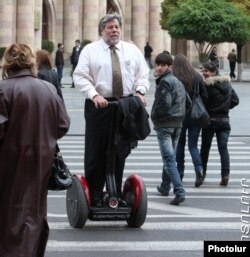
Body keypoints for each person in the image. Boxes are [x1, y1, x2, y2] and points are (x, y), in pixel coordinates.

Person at [0, 43, 70, 257]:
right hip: (40, 161)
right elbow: (62, 125)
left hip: (8, 163)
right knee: (34, 213)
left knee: (8, 215)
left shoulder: (3, 90)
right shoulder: (47, 88)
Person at [73, 13, 150, 206]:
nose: (114, 30)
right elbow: (80, 76)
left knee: (119, 149)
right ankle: (96, 194)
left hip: (124, 105)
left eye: (116, 26)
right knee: (96, 151)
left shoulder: (131, 50)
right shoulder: (90, 50)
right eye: (110, 27)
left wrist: (140, 92)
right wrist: (94, 95)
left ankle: (115, 192)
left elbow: (143, 73)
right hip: (99, 105)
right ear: (102, 30)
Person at [151, 52, 186, 205]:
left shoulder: (165, 82)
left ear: (169, 66)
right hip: (177, 124)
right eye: (157, 65)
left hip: (165, 125)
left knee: (169, 160)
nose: (159, 68)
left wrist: (155, 115)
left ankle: (179, 191)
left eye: (162, 65)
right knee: (169, 158)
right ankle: (165, 186)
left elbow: (165, 103)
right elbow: (188, 102)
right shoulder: (178, 81)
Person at [200, 62, 239, 186]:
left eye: (206, 71)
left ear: (214, 72)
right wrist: (225, 108)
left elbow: (203, 102)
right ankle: (225, 175)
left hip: (210, 121)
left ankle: (202, 174)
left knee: (205, 149)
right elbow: (235, 100)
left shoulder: (207, 86)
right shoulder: (227, 84)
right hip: (224, 121)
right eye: (203, 70)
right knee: (223, 148)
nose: (204, 73)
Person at [172, 54, 208, 187]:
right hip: (195, 116)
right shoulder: (197, 77)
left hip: (179, 116)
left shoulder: (174, 78)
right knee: (193, 145)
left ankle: (179, 174)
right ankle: (199, 169)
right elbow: (205, 96)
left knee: (179, 145)